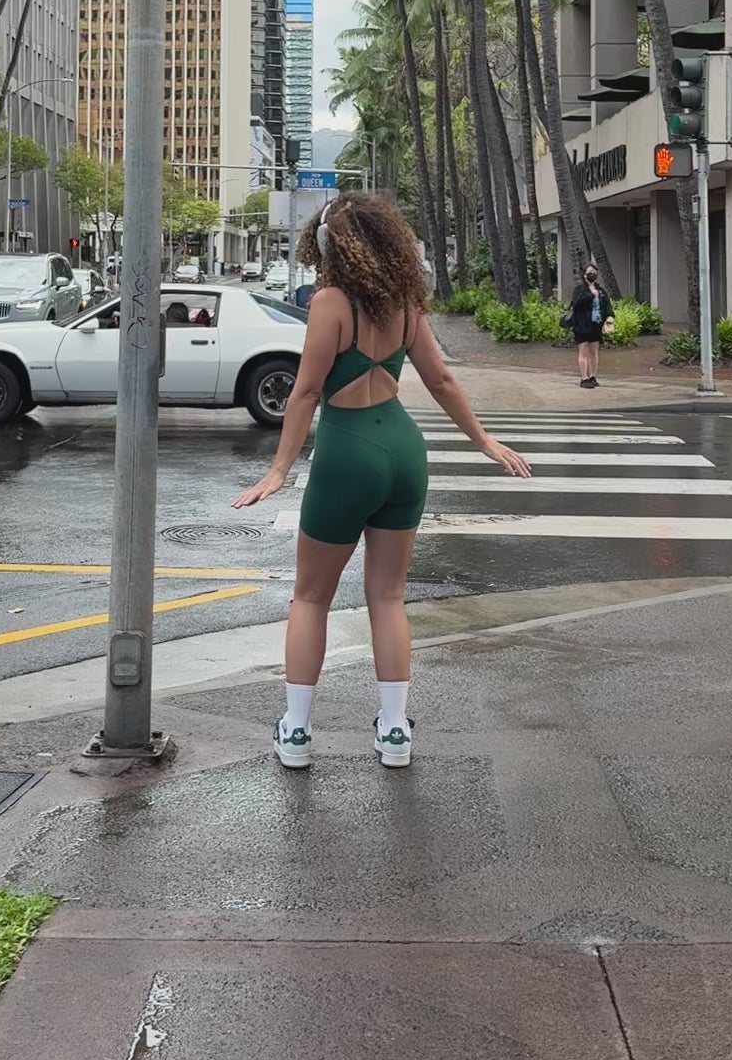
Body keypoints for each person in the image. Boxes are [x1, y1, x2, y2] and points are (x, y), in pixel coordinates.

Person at [233, 192, 530, 770]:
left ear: (326, 247)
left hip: (347, 454)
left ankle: (295, 732)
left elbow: (308, 392)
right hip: (403, 448)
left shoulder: (330, 303)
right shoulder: (406, 303)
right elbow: (441, 379)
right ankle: (394, 731)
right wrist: (483, 441)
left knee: (311, 597)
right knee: (388, 597)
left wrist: (278, 470)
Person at [568, 262, 614, 388]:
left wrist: (610, 316)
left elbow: (607, 306)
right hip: (582, 325)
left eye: (594, 272)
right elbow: (576, 304)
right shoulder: (579, 289)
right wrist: (590, 296)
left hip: (596, 325)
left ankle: (593, 376)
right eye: (589, 272)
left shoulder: (601, 290)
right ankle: (584, 378)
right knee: (583, 351)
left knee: (594, 352)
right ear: (584, 275)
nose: (592, 274)